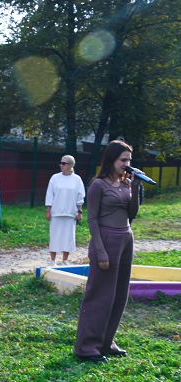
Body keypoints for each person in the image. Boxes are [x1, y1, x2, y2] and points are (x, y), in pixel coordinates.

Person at [74, 140, 142, 364]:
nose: (127, 164)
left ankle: (106, 342)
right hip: (106, 240)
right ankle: (86, 347)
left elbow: (132, 213)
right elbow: (92, 220)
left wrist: (135, 187)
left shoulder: (126, 183)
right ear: (111, 160)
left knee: (119, 295)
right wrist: (101, 252)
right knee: (100, 296)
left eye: (129, 160)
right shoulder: (98, 185)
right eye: (123, 160)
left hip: (125, 239)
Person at [45, 155, 85, 266]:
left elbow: (80, 197)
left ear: (71, 165)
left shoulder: (77, 179)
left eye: (64, 163)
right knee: (55, 236)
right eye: (61, 163)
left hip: (70, 213)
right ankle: (52, 261)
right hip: (56, 212)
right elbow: (50, 195)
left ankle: (64, 260)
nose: (61, 165)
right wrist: (48, 210)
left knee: (68, 237)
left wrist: (79, 212)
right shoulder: (55, 178)